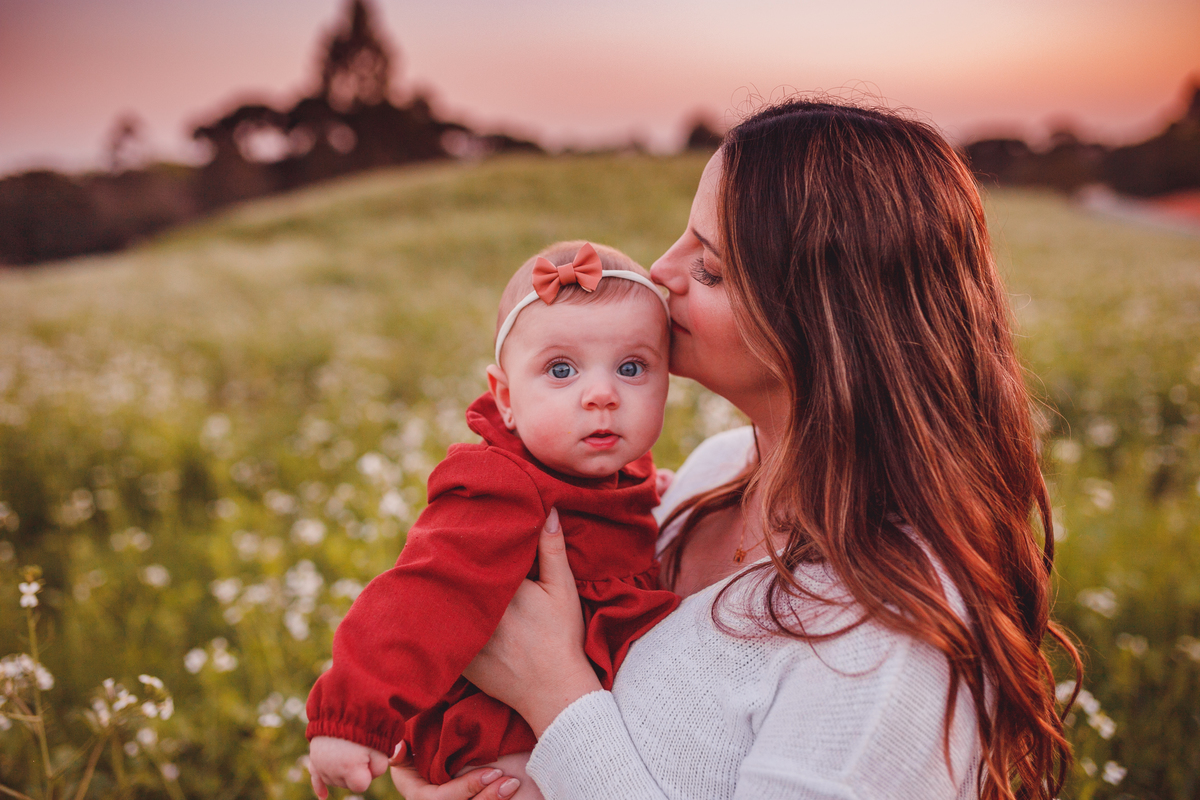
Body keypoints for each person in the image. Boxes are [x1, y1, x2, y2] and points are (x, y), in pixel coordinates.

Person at [391, 99, 1081, 800]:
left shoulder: (889, 644)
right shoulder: (712, 472)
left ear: (828, 325)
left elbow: (577, 715)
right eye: (684, 239)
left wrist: (554, 694)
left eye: (712, 270)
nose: (661, 272)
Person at [305, 241, 681, 799]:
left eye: (632, 367)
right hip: (504, 735)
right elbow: (424, 594)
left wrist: (651, 496)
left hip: (583, 718)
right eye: (561, 370)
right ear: (505, 397)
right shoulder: (500, 485)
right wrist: (353, 716)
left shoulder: (615, 474)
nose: (601, 394)